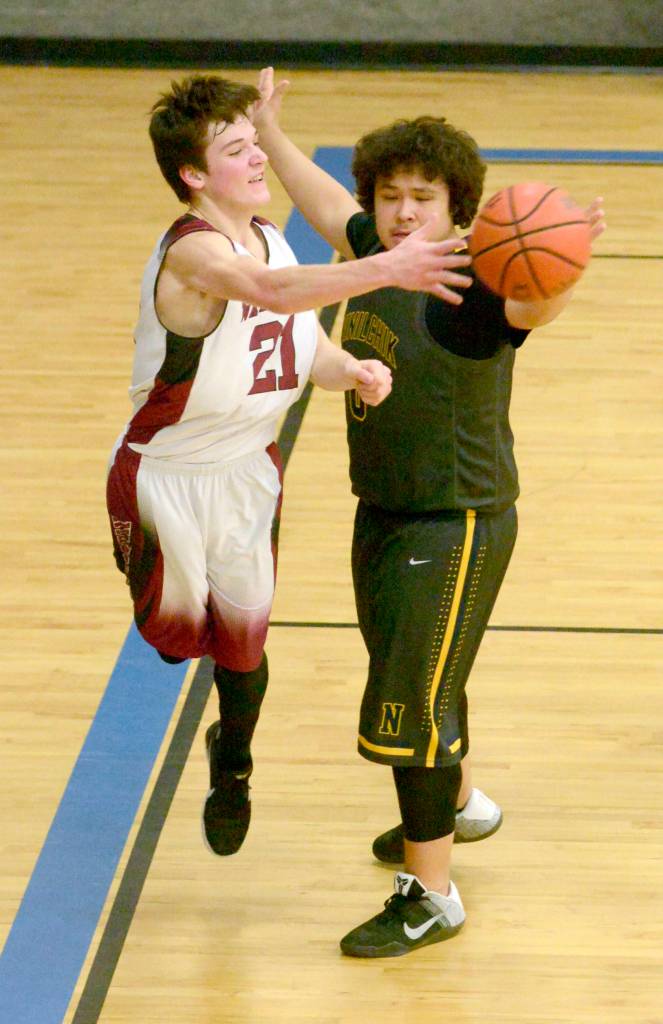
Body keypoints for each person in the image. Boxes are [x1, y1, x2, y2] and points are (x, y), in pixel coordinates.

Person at [253, 67, 606, 957]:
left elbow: (534, 305)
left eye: (424, 198)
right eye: (391, 195)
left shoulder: (479, 285)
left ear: (461, 210)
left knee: (409, 702)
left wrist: (563, 254)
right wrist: (270, 135)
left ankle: (431, 892)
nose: (403, 212)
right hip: (381, 508)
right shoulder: (374, 254)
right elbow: (329, 202)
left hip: (457, 520)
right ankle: (460, 807)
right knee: (419, 674)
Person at [105, 73, 473, 861]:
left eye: (253, 146)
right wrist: (387, 268)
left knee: (241, 648)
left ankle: (231, 762)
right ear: (194, 176)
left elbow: (298, 345)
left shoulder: (273, 237)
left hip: (248, 474)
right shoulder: (194, 252)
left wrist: (352, 370)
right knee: (174, 642)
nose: (254, 161)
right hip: (166, 476)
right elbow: (272, 295)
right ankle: (203, 684)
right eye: (236, 151)